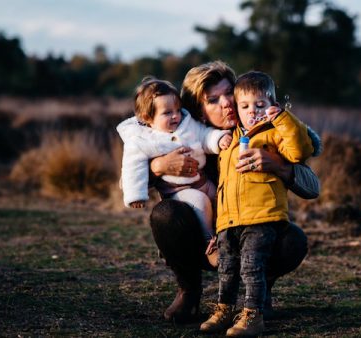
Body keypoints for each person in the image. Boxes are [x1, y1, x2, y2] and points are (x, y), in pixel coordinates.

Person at [148, 61, 322, 324]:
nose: (227, 103)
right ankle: (189, 290)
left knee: (292, 239)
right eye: (213, 100)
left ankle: (260, 295)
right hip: (205, 243)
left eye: (229, 93)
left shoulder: (264, 131)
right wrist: (157, 165)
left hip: (253, 233)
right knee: (165, 213)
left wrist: (278, 166)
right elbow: (132, 177)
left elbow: (313, 186)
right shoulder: (185, 139)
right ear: (200, 112)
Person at [199, 71, 314, 336]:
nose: (253, 112)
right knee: (227, 269)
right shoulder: (227, 140)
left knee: (252, 267)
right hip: (229, 221)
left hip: (261, 217)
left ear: (272, 104)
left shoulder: (274, 134)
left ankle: (253, 314)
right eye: (245, 106)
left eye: (260, 105)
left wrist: (282, 118)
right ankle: (224, 309)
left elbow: (300, 150)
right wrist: (217, 227)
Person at [116, 77, 232, 241]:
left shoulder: (187, 125)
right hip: (179, 191)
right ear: (147, 117)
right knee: (200, 203)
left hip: (204, 182)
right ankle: (208, 239)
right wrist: (135, 194)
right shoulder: (143, 140)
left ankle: (225, 237)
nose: (176, 116)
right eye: (167, 112)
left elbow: (204, 135)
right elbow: (132, 167)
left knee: (221, 200)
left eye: (177, 110)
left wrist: (218, 140)